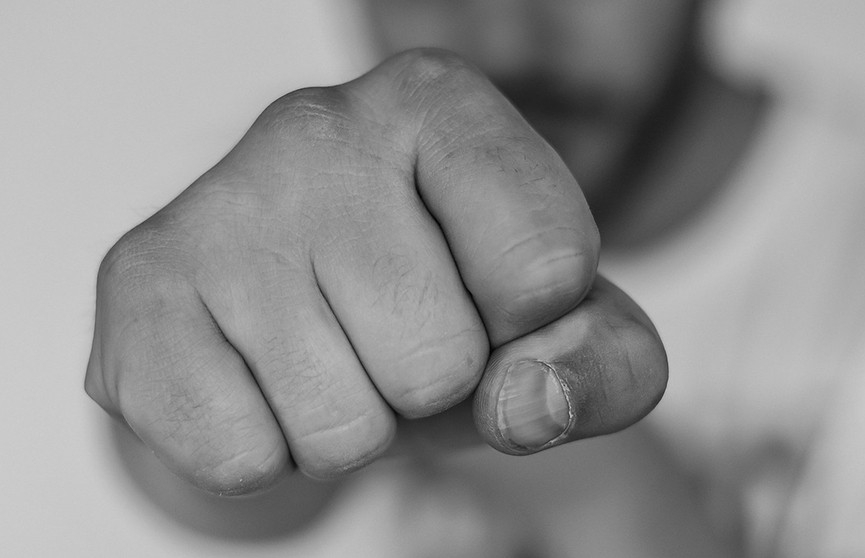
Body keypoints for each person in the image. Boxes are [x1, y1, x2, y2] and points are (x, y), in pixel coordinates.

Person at [85, 0, 865, 556]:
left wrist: (607, 497)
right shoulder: (314, 199)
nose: (504, 38)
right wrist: (181, 356)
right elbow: (205, 476)